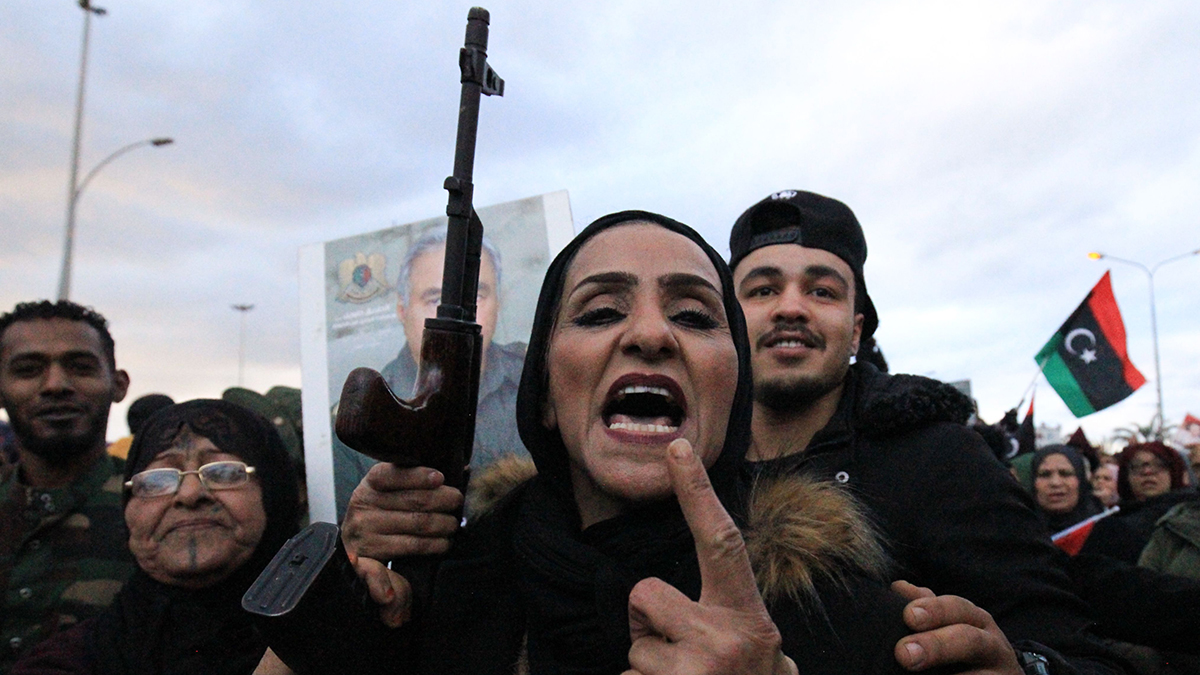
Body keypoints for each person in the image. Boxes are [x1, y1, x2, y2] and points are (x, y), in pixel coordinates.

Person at [265, 211, 997, 675]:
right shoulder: (444, 588)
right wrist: (346, 611)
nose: (649, 333)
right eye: (602, 309)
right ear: (545, 393)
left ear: (732, 389)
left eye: (694, 314)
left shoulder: (857, 618)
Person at [727, 190, 1125, 675]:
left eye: (822, 291)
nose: (790, 307)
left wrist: (1023, 666)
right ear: (727, 321)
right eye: (763, 290)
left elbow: (1077, 651)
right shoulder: (685, 462)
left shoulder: (942, 459)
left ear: (856, 332)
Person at [11, 399, 300, 675]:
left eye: (223, 472)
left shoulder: (334, 643)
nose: (189, 494)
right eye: (158, 479)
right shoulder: (66, 661)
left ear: (275, 493)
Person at [332, 227, 527, 519]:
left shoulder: (537, 382)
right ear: (402, 310)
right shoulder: (368, 416)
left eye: (477, 296)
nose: (461, 314)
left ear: (498, 304)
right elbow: (356, 542)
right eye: (435, 300)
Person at [0, 300, 135, 671]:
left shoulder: (156, 508)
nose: (56, 385)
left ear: (118, 384)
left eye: (80, 367)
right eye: (28, 370)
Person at [1081, 441, 1197, 565]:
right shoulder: (1111, 528)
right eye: (1136, 466)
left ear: (1174, 472)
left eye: (1159, 465)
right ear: (1126, 477)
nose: (1147, 472)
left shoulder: (1192, 516)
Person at [1030, 445, 1104, 534]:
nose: (1055, 483)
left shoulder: (1105, 531)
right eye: (1045, 474)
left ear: (1081, 480)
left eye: (1065, 474)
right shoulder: (1019, 532)